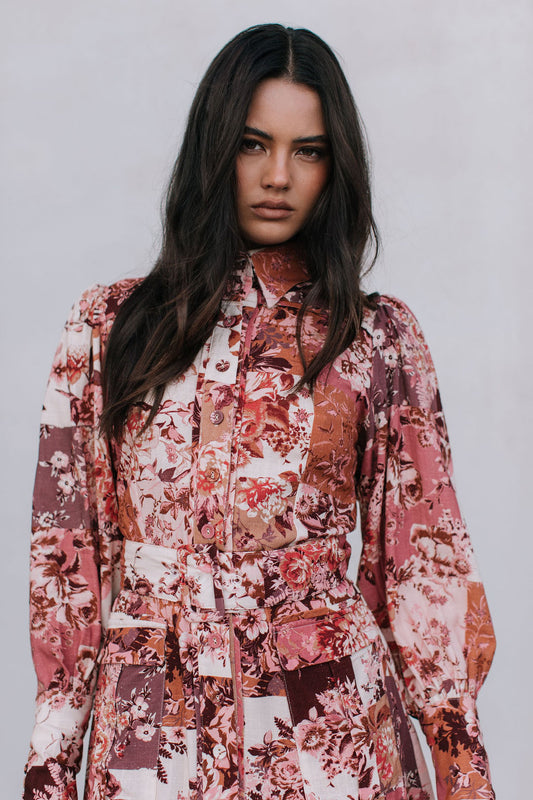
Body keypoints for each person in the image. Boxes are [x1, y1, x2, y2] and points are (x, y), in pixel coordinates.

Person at [23, 23, 496, 800]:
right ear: (214, 149)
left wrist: (462, 771)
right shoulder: (108, 328)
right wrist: (49, 764)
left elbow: (424, 573)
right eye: (252, 144)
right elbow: (66, 570)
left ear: (333, 166)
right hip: (150, 739)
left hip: (330, 737)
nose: (277, 175)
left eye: (307, 150)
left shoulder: (377, 336)